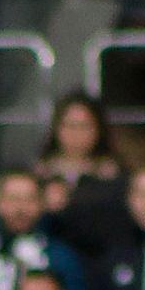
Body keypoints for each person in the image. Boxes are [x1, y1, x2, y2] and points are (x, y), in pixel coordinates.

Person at [34, 92, 126, 261]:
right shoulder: (39, 175)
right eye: (69, 125)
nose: (76, 134)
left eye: (85, 126)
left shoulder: (113, 176)